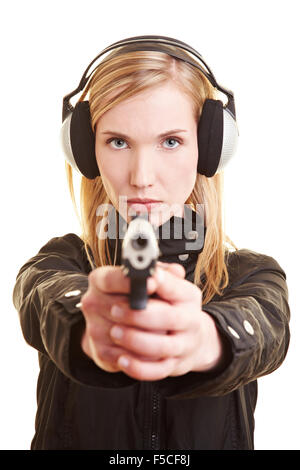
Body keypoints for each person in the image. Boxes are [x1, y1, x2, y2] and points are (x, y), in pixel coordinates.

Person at [12, 36, 290, 450]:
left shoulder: (253, 275)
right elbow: (45, 301)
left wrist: (204, 338)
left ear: (210, 148)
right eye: (118, 141)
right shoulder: (57, 263)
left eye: (171, 141)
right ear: (86, 151)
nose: (142, 176)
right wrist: (92, 325)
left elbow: (265, 329)